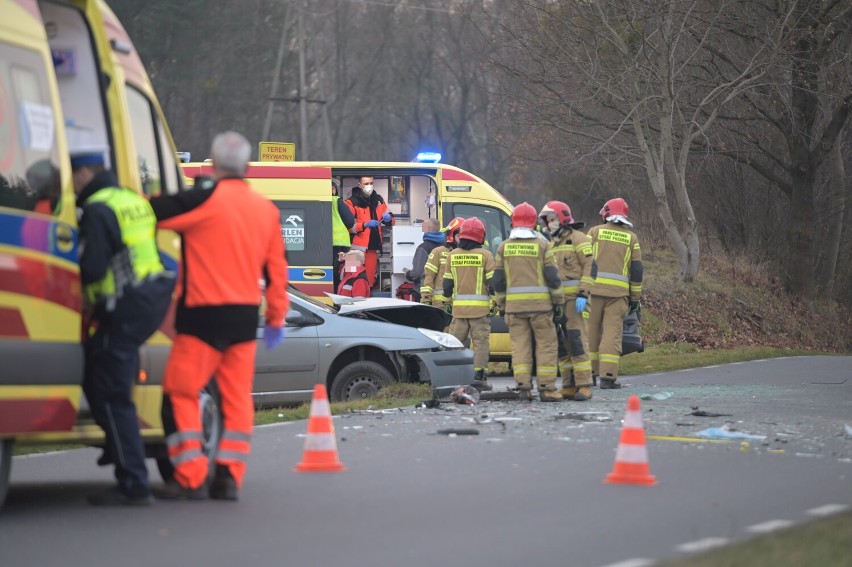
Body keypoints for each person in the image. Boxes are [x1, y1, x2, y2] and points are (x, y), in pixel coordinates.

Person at [149, 131, 289, 501]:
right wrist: (275, 318)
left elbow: (152, 214)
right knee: (236, 398)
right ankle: (227, 476)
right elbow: (277, 271)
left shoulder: (202, 199)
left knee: (181, 392)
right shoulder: (266, 211)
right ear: (246, 168)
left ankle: (190, 475)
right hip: (244, 319)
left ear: (212, 164)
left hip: (201, 318)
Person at [72, 147, 176, 506]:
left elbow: (95, 269)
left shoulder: (98, 208)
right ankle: (118, 448)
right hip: (148, 298)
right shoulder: (129, 198)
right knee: (99, 372)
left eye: (71, 176)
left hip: (127, 304)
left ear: (83, 174)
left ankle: (133, 483)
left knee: (112, 391)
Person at [493, 202, 564, 402]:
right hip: (541, 307)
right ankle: (547, 389)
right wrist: (558, 302)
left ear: (513, 222)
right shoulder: (543, 245)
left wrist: (502, 304)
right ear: (534, 223)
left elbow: (498, 280)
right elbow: (553, 277)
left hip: (514, 309)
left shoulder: (504, 247)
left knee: (520, 346)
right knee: (546, 346)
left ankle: (523, 387)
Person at [539, 201, 596, 401]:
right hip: (558, 303)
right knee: (562, 345)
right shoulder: (551, 244)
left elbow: (591, 266)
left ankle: (584, 384)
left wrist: (583, 293)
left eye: (551, 219)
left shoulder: (579, 239)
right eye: (546, 221)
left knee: (577, 341)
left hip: (576, 301)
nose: (547, 224)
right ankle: (569, 385)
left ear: (562, 218)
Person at [586, 197, 643, 389]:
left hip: (592, 293)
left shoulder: (594, 233)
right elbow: (636, 271)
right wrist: (635, 299)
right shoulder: (631, 239)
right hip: (618, 296)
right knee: (611, 334)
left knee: (590, 333)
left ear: (606, 214)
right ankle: (608, 377)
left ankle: (589, 375)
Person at [443, 217, 495, 392]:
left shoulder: (453, 255)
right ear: (481, 236)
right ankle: (479, 379)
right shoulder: (486, 255)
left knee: (455, 344)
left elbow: (447, 286)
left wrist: (449, 301)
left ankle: (453, 378)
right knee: (480, 344)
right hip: (480, 312)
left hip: (458, 312)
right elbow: (493, 284)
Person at [345, 176, 394, 289]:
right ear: (360, 185)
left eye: (371, 183)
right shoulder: (351, 202)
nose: (369, 186)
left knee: (369, 281)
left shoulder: (379, 200)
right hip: (353, 250)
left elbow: (392, 220)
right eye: (366, 183)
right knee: (351, 279)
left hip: (372, 248)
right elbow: (348, 227)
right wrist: (364, 225)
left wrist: (389, 219)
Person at [419, 216, 464, 309]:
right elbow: (428, 277)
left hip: (462, 308)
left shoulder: (469, 254)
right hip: (441, 306)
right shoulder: (438, 252)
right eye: (459, 236)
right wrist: (426, 299)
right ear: (452, 235)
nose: (462, 239)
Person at [404, 218, 444, 302]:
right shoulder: (445, 247)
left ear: (427, 229)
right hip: (441, 292)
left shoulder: (423, 247)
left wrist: (407, 274)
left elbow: (417, 273)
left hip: (424, 292)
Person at [331, 178, 356, 292]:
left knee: (332, 274)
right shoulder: (337, 201)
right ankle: (345, 295)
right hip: (340, 244)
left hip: (325, 244)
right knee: (348, 272)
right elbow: (350, 222)